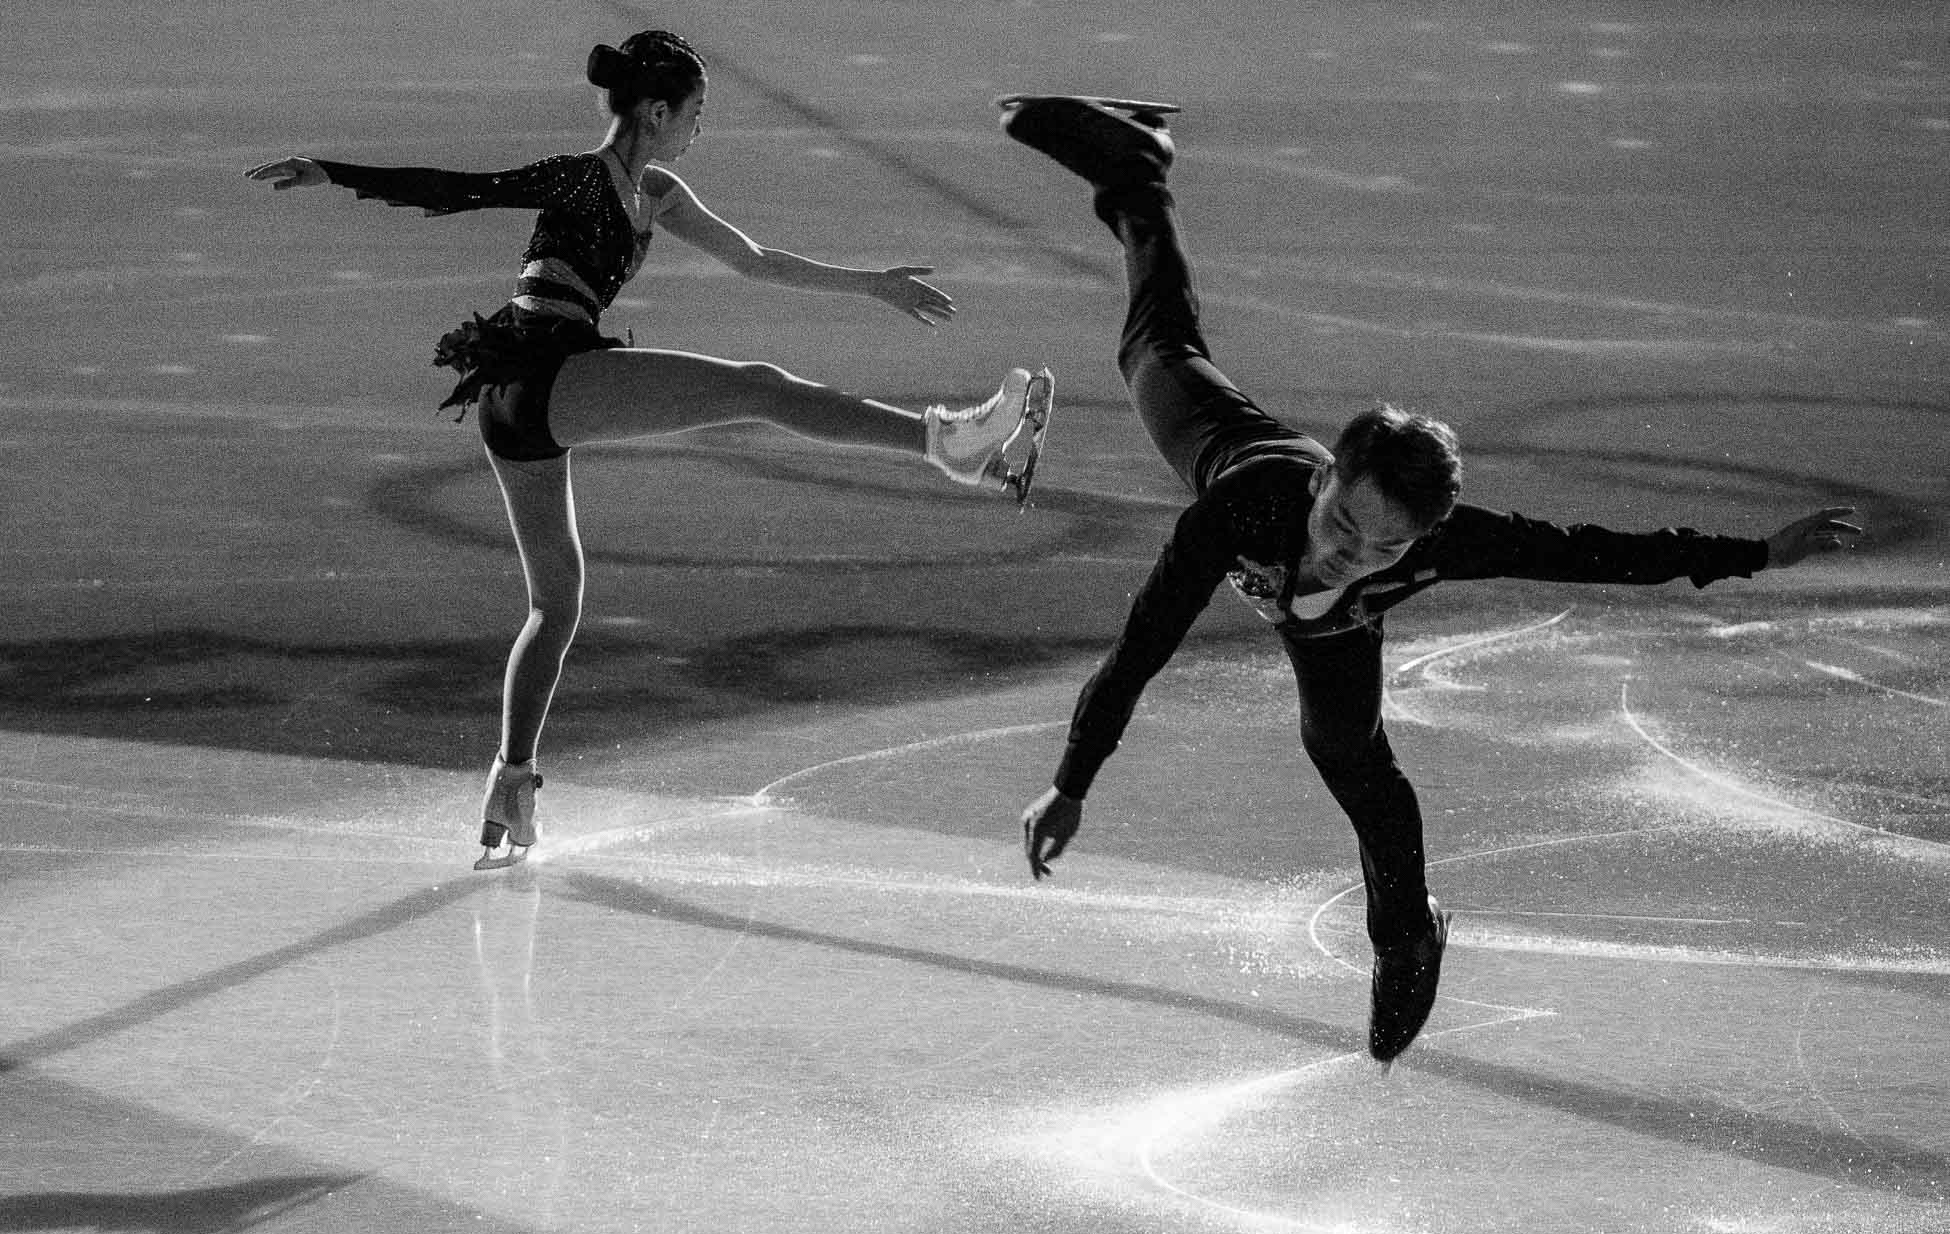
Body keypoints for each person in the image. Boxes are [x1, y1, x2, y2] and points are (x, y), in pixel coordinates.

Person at [1000, 96, 1860, 1064]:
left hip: (1330, 638)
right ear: (1325, 475)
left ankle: (1406, 934)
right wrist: (1072, 782)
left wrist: (1755, 553)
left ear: (1423, 539)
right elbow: (1141, 645)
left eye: (1379, 551)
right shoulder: (1240, 512)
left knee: (1351, 758)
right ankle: (1138, 169)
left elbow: (1593, 550)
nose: (1344, 554)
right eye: (1340, 524)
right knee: (1154, 349)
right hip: (1229, 450)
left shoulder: (1439, 542)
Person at [245, 31, 1054, 869]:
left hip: (520, 400)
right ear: (657, 110)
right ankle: (948, 441)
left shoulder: (658, 192)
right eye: (696, 112)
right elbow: (458, 188)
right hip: (540, 373)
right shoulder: (580, 177)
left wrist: (871, 283)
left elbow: (756, 260)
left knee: (556, 607)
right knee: (759, 386)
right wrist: (331, 171)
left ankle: (509, 788)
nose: (702, 126)